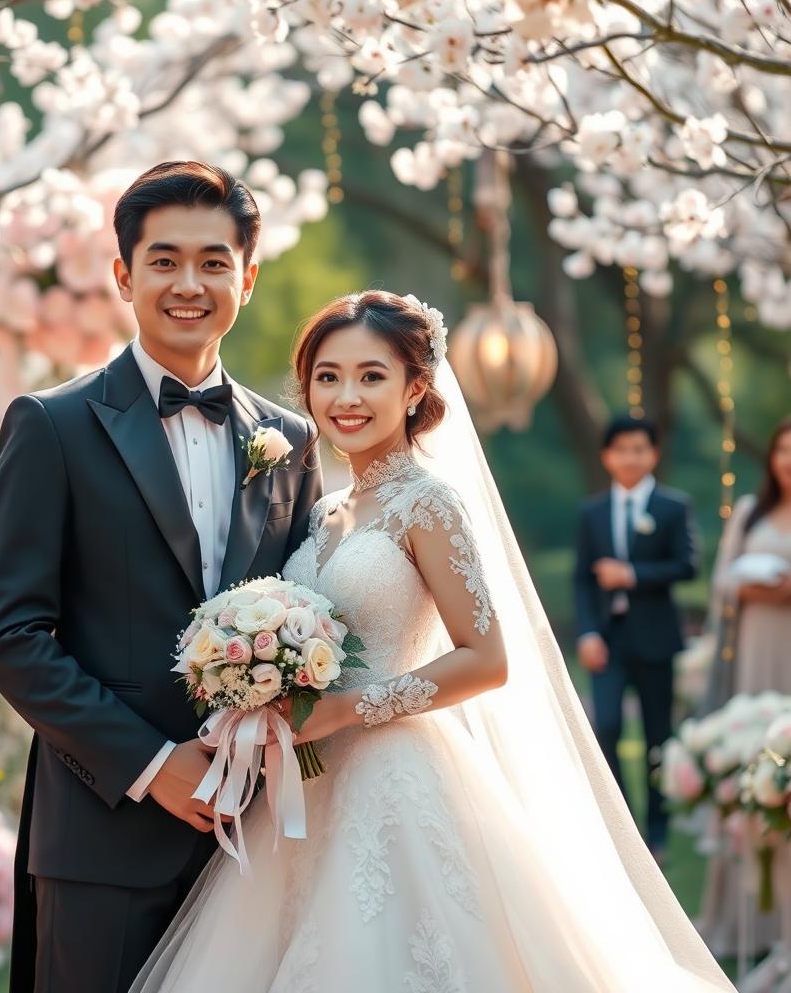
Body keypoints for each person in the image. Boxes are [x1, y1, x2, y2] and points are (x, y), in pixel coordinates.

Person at [130, 291, 732, 992]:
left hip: (394, 772)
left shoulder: (429, 503)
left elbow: (487, 659)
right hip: (309, 783)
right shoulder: (324, 512)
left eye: (371, 376)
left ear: (415, 388)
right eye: (328, 376)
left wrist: (349, 708)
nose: (346, 397)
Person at [0, 161, 323, 993]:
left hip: (256, 846)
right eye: (164, 261)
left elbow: (316, 611)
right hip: (104, 841)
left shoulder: (291, 440)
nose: (189, 284)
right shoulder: (51, 424)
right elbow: (9, 635)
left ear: (248, 277)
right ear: (124, 276)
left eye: (213, 262)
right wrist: (152, 763)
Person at [574, 417, 698, 860]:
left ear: (654, 454)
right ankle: (625, 829)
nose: (631, 457)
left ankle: (658, 833)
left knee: (657, 738)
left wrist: (632, 574)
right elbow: (583, 579)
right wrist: (587, 632)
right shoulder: (592, 512)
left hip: (656, 639)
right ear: (607, 457)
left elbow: (687, 566)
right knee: (606, 726)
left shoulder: (673, 507)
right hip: (607, 642)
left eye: (639, 449)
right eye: (622, 449)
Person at [697, 418, 791, 958]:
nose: (788, 460)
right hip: (754, 652)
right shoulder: (751, 512)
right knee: (754, 763)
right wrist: (750, 589)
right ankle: (743, 918)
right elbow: (721, 582)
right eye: (782, 450)